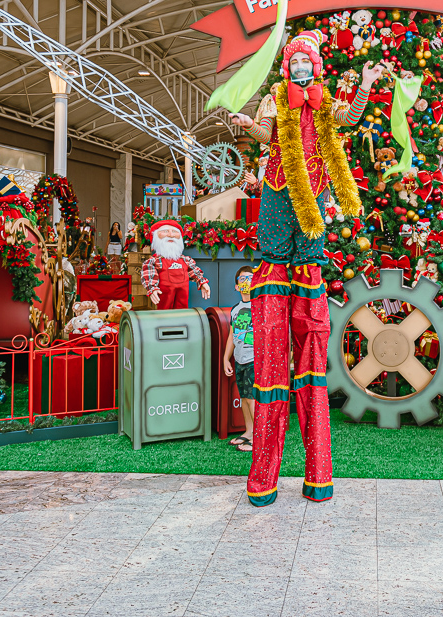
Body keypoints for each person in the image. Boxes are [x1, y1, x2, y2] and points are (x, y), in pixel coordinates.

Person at [226, 28, 383, 507]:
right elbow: (261, 133)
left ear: (314, 67)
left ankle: (317, 476)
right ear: (287, 66)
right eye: (294, 62)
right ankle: (266, 478)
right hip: (278, 190)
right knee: (274, 256)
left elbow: (349, 119)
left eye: (306, 63)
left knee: (309, 264)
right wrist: (241, 123)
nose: (300, 68)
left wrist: (367, 85)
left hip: (313, 193)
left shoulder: (324, 100)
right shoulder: (276, 99)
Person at [222, 266, 255, 452]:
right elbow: (234, 335)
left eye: (250, 278)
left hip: (254, 359)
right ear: (236, 287)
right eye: (242, 279)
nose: (246, 283)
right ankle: (248, 432)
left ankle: (259, 437)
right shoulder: (236, 309)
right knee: (244, 397)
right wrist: (226, 358)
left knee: (252, 399)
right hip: (240, 359)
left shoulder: (260, 306)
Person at [140, 220, 210, 309]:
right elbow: (149, 276)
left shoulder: (185, 260)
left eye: (174, 231)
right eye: (165, 231)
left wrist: (202, 282)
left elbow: (195, 272)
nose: (171, 235)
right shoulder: (154, 261)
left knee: (181, 317)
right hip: (162, 307)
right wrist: (152, 288)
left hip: (182, 307)